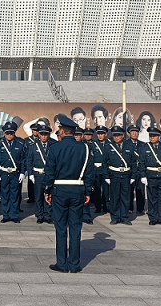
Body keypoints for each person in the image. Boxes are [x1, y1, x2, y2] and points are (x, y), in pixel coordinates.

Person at [44, 114, 92, 273]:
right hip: (78, 191)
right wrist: (88, 191)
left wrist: (47, 190)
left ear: (62, 131)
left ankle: (62, 264)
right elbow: (89, 173)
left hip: (59, 191)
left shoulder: (54, 148)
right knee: (76, 228)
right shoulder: (85, 148)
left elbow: (49, 172)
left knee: (61, 228)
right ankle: (74, 264)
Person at [140, 126, 161, 226]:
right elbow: (141, 163)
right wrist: (143, 176)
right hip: (151, 176)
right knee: (152, 198)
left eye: (154, 136)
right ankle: (153, 218)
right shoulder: (145, 147)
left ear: (159, 137)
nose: (152, 137)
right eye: (151, 136)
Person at [0, 122, 27, 223]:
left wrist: (22, 172)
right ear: (4, 133)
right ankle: (6, 215)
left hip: (15, 173)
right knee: (4, 195)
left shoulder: (20, 143)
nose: (9, 135)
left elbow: (23, 159)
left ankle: (15, 215)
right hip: (3, 173)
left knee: (15, 195)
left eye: (11, 133)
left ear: (14, 133)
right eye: (7, 133)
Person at [105, 126, 135, 225]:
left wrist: (133, 176)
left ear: (123, 136)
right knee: (114, 197)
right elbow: (104, 163)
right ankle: (115, 217)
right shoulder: (108, 147)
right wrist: (106, 176)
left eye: (118, 135)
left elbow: (134, 163)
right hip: (114, 175)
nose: (116, 137)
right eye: (114, 135)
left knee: (125, 197)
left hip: (126, 175)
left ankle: (124, 216)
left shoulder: (129, 146)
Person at [28, 124, 55, 224]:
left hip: (49, 175)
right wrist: (30, 174)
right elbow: (29, 160)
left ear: (49, 135)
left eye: (46, 134)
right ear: (39, 134)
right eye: (42, 134)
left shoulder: (53, 145)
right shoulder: (33, 146)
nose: (44, 137)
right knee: (38, 196)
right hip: (38, 174)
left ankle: (47, 215)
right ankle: (39, 215)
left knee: (48, 195)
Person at [126, 125, 146, 215]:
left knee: (140, 190)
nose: (134, 134)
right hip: (130, 171)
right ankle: (129, 207)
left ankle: (140, 208)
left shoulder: (143, 145)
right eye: (132, 132)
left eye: (136, 132)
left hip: (140, 171)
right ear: (129, 134)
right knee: (129, 190)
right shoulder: (125, 144)